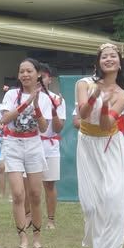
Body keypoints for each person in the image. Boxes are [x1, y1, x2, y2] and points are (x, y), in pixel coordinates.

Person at [77, 43, 124, 248]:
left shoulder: (123, 95)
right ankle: (98, 244)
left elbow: (106, 124)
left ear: (119, 62)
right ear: (98, 62)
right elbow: (83, 114)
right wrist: (95, 97)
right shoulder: (84, 84)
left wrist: (106, 105)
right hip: (87, 144)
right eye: (104, 57)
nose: (109, 59)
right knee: (91, 205)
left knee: (113, 198)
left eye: (113, 56)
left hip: (111, 144)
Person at [0, 59, 52, 248]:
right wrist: (26, 103)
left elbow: (44, 128)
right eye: (22, 71)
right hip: (13, 144)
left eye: (29, 71)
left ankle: (37, 239)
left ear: (38, 74)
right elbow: (5, 119)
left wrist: (36, 105)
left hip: (33, 144)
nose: (25, 75)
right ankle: (23, 239)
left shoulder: (45, 98)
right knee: (17, 194)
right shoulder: (11, 94)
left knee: (36, 194)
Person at [38, 64, 67, 230]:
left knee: (49, 184)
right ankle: (28, 217)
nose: (40, 80)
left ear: (49, 79)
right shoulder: (26, 97)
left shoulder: (57, 99)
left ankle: (50, 220)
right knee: (29, 185)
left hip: (50, 144)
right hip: (31, 143)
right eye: (37, 76)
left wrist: (54, 109)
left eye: (43, 77)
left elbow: (58, 128)